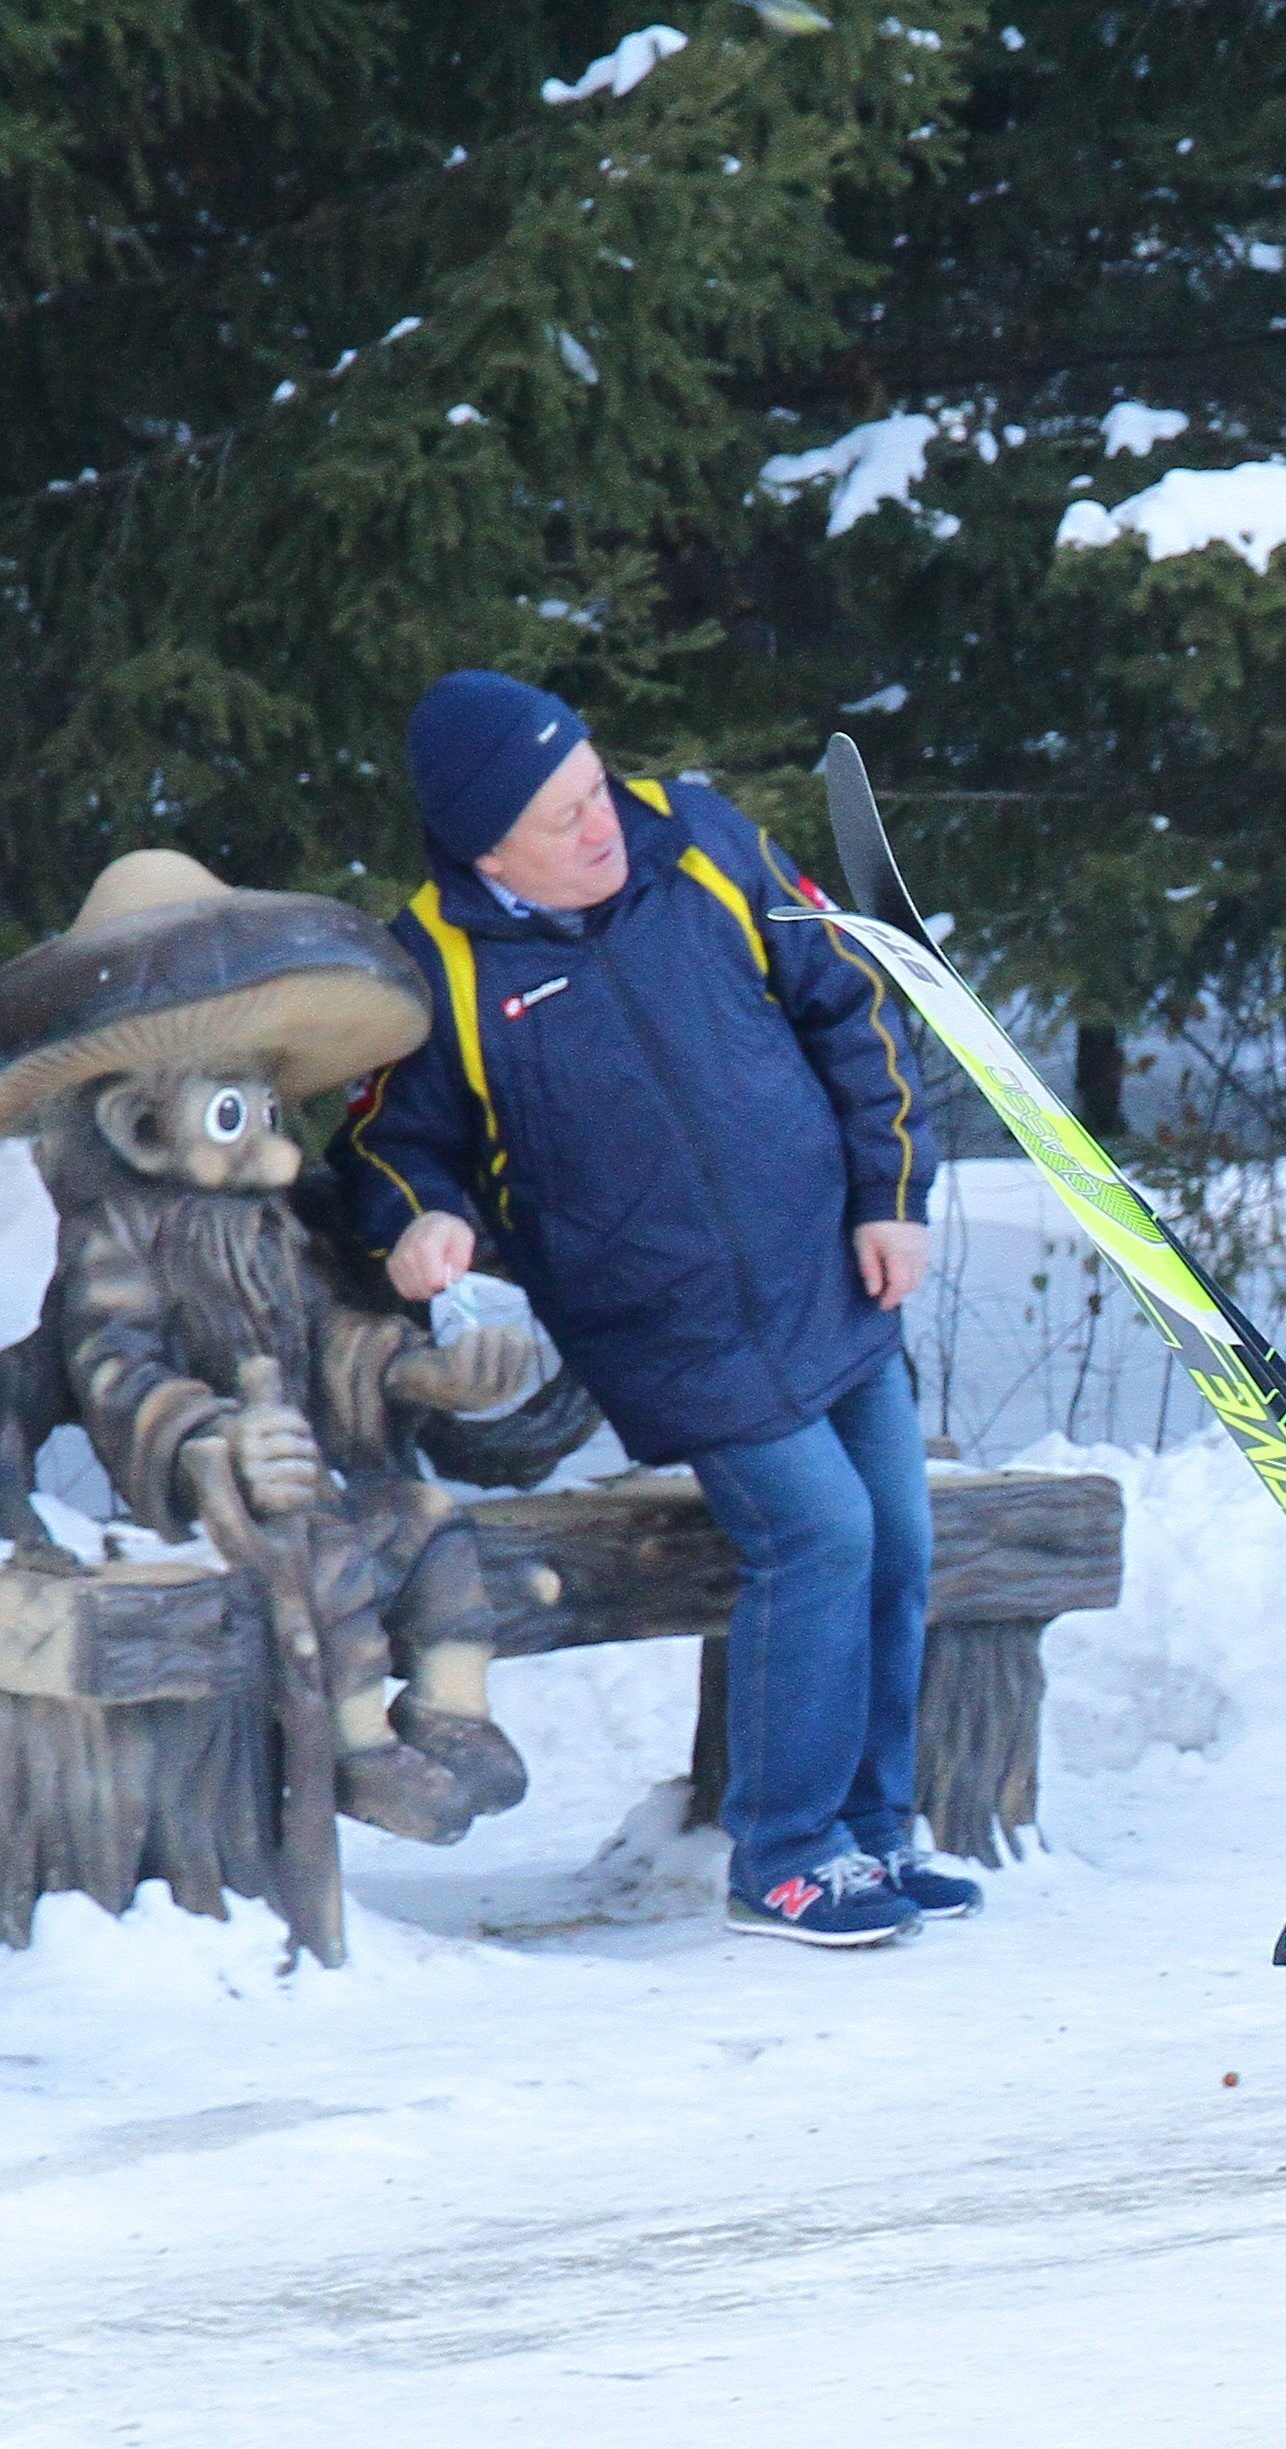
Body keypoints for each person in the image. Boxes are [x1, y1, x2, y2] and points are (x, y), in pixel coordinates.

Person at [349, 671, 985, 1941]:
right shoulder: (439, 964)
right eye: (562, 816)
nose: (601, 824)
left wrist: (890, 1193)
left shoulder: (700, 838)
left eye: (594, 787)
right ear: (487, 848)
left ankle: (868, 1834)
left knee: (900, 1540)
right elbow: (384, 1146)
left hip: (831, 1268)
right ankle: (784, 1854)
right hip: (667, 1326)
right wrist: (416, 1216)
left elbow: (852, 1007)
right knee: (821, 1536)